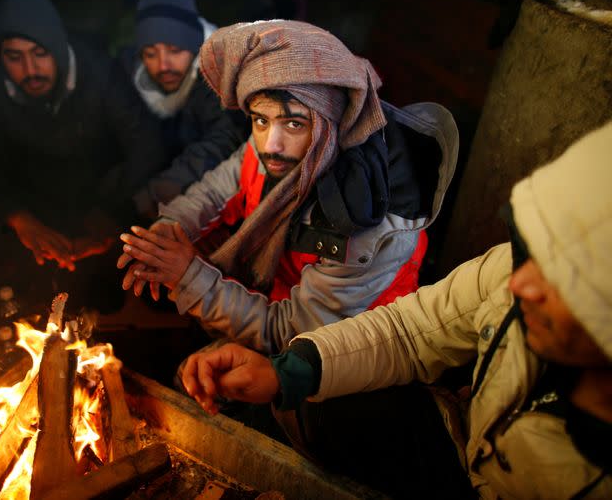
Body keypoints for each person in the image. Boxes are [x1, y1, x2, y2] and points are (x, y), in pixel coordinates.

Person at [181, 121, 612, 499]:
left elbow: (292, 320)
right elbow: (411, 331)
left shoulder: (367, 222)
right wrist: (284, 373)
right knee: (312, 406)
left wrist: (190, 278)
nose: (521, 284)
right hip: (468, 442)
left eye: (560, 275)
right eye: (529, 250)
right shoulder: (509, 269)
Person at [118, 20, 459, 356]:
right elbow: (213, 192)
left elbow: (295, 333)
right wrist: (164, 235)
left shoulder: (369, 222)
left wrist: (189, 276)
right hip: (278, 291)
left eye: (294, 123)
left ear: (330, 125)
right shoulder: (274, 147)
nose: (271, 144)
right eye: (260, 120)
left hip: (344, 354)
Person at [0, 0, 166, 310]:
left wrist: (111, 215)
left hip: (102, 196)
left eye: (40, 53)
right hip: (34, 202)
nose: (29, 69)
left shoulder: (100, 74)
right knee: (32, 301)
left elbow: (146, 144)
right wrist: (17, 216)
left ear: (57, 47)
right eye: (14, 57)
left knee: (109, 297)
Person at [120, 0, 249, 219]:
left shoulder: (220, 76)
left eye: (175, 50)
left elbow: (224, 137)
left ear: (195, 46)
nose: (162, 66)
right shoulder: (129, 75)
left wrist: (160, 189)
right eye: (150, 54)